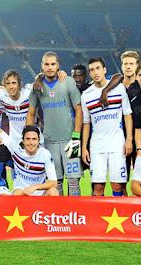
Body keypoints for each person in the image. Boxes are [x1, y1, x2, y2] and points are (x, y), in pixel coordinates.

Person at [27, 51, 83, 196]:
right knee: (55, 181)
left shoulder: (68, 81)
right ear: (42, 66)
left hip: (72, 141)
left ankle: (74, 214)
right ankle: (60, 214)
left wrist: (76, 135)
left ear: (58, 65)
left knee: (73, 181)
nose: (50, 67)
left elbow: (78, 109)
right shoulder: (37, 87)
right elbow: (31, 113)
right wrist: (29, 135)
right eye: (47, 64)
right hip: (49, 141)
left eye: (53, 64)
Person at [81, 57, 133, 196]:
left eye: (98, 68)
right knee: (98, 187)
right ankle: (97, 216)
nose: (95, 72)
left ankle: (122, 215)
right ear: (90, 74)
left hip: (117, 143)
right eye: (92, 70)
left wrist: (129, 139)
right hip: (97, 145)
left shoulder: (118, 88)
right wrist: (84, 147)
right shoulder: (86, 95)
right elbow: (86, 123)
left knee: (117, 186)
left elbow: (127, 114)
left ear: (104, 70)